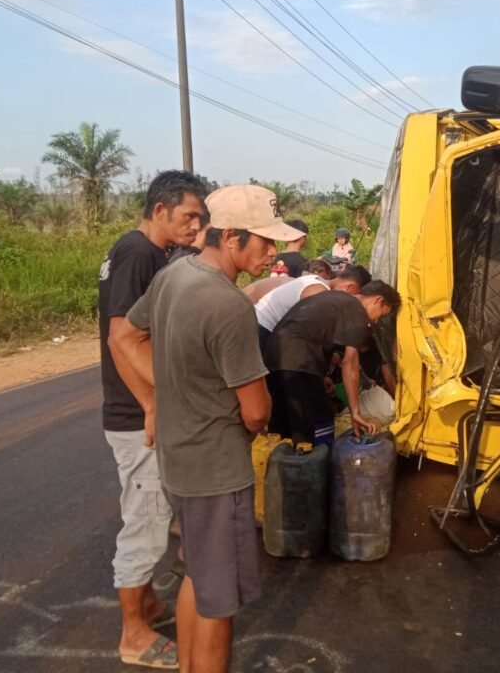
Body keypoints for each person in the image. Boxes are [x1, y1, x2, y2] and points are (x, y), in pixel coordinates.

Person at [111, 184, 304, 673]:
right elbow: (256, 411)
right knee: (220, 602)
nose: (274, 253)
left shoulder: (174, 275)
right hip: (217, 472)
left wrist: (165, 393)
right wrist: (255, 418)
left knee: (199, 576)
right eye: (265, 241)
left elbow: (127, 335)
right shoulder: (228, 304)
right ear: (232, 236)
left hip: (178, 461)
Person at [99, 170, 207, 670]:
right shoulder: (139, 252)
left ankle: (144, 605)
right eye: (190, 215)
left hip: (137, 410)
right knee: (145, 521)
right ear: (160, 210)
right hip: (134, 415)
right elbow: (120, 336)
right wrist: (151, 404)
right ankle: (133, 635)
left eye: (202, 218)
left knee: (150, 512)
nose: (196, 226)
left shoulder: (148, 252)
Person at [265, 281, 400, 446]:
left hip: (275, 358)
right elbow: (350, 361)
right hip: (299, 362)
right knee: (320, 423)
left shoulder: (335, 299)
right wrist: (355, 413)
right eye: (381, 314)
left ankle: (282, 458)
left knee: (282, 429)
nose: (377, 321)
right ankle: (313, 459)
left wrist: (320, 376)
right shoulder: (357, 310)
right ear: (378, 300)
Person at [252, 264, 372, 353]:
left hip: (257, 323)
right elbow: (307, 331)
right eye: (353, 297)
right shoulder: (319, 292)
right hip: (262, 330)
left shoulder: (314, 280)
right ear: (350, 287)